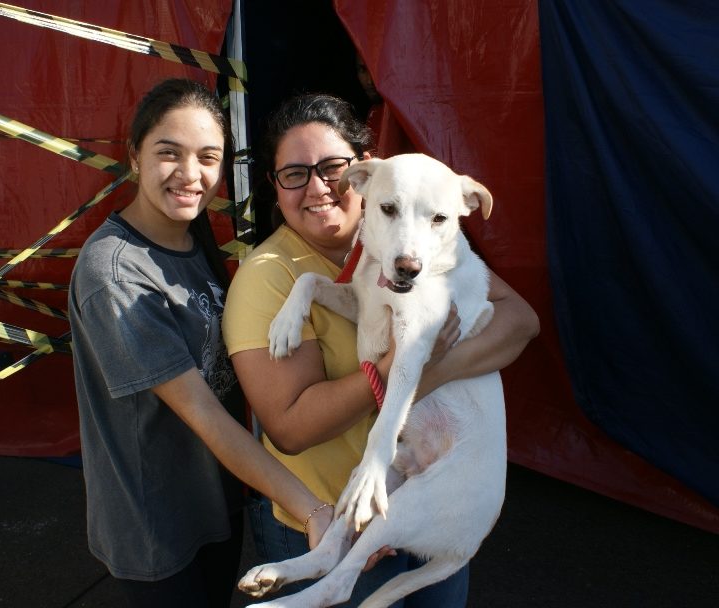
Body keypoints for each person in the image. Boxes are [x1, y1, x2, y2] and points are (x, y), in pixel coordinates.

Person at [222, 93, 540, 606]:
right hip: (328, 512)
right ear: (273, 186)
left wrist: (427, 369)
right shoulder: (267, 276)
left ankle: (328, 580)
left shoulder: (417, 247)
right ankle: (329, 578)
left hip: (421, 481)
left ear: (361, 171)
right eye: (294, 174)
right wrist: (395, 371)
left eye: (331, 168)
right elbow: (288, 427)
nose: (320, 188)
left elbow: (521, 320)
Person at [68, 79, 334, 608]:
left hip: (214, 501)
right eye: (170, 153)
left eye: (208, 157)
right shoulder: (115, 273)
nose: (191, 175)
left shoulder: (194, 235)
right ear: (135, 155)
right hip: (156, 527)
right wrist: (313, 509)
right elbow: (205, 414)